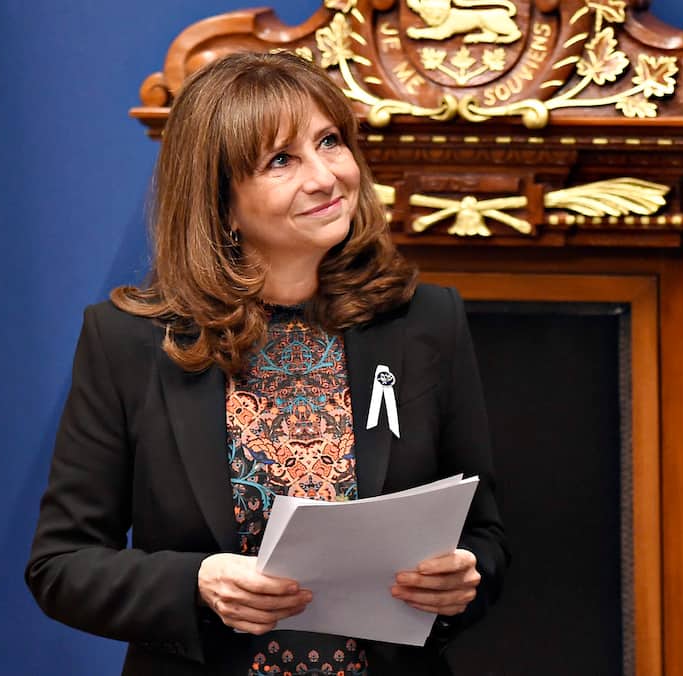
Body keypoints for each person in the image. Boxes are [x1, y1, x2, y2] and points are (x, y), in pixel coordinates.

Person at [26, 51, 507, 676]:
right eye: (281, 160)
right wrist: (197, 583)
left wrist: (464, 577)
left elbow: (485, 537)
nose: (325, 177)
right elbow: (60, 565)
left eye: (330, 142)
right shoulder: (128, 341)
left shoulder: (426, 321)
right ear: (221, 204)